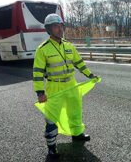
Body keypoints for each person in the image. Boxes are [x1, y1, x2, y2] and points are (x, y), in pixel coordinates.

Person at [32, 13, 98, 158]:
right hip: (54, 87)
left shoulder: (69, 46)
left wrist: (89, 75)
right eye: (56, 26)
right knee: (51, 117)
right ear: (49, 29)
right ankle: (51, 147)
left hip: (71, 84)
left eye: (61, 26)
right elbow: (37, 73)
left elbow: (79, 63)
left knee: (75, 111)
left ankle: (77, 134)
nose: (60, 29)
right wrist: (39, 92)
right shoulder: (42, 49)